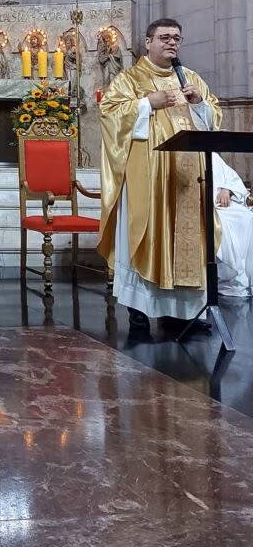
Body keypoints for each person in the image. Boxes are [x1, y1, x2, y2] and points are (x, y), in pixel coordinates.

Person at [98, 18, 221, 336]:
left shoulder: (190, 78)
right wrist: (145, 104)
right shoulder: (131, 78)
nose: (172, 43)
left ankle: (181, 315)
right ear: (148, 41)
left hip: (188, 180)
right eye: (164, 37)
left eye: (177, 38)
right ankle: (140, 313)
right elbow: (109, 113)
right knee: (146, 236)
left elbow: (213, 119)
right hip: (148, 177)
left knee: (188, 242)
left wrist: (200, 105)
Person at [214, 154, 253, 298]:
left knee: (247, 217)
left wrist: (227, 190)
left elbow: (231, 177)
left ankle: (246, 279)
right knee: (225, 224)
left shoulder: (213, 157)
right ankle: (230, 278)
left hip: (222, 205)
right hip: (206, 208)